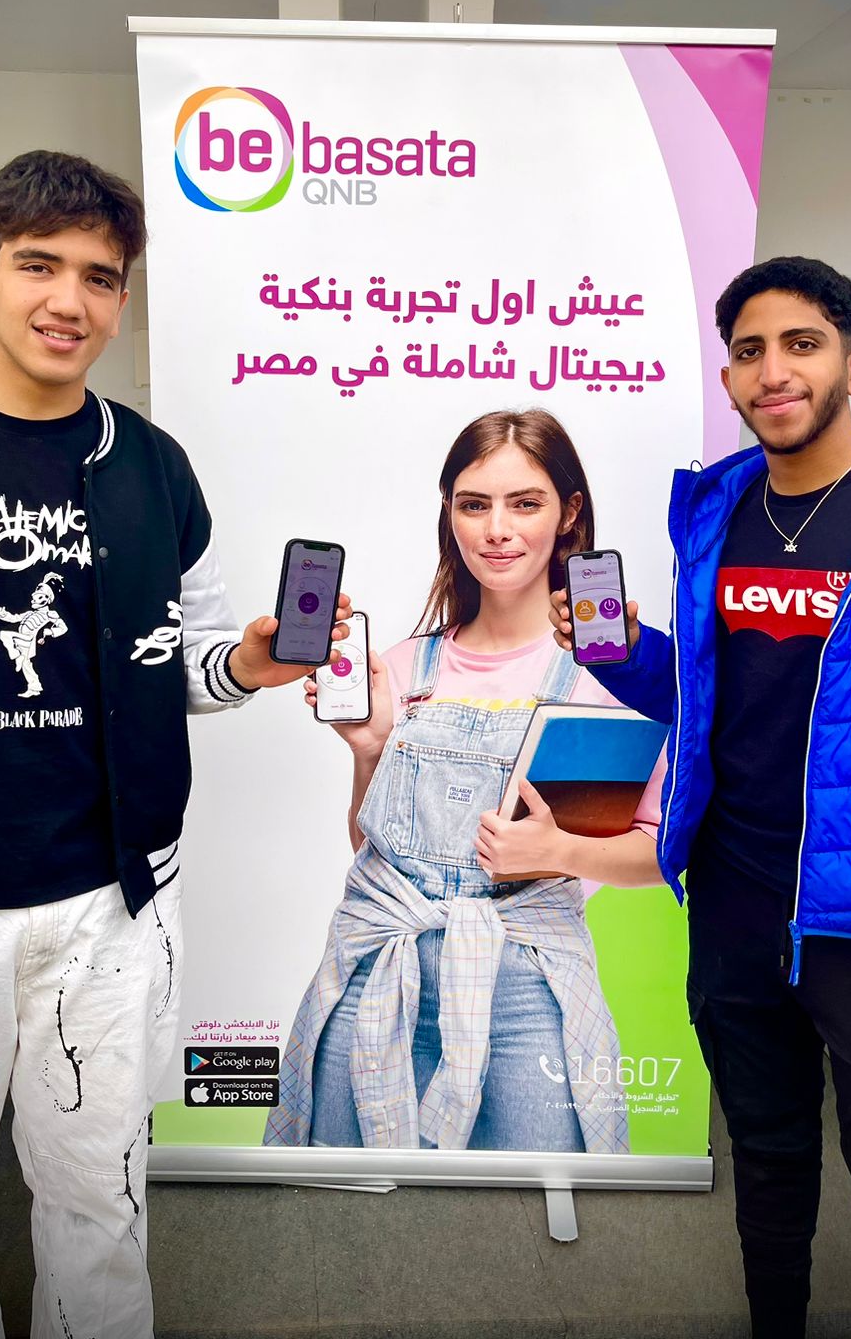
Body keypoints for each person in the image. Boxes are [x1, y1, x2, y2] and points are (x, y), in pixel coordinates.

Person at [0, 150, 348, 1339]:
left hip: (112, 909)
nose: (68, 301)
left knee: (102, 1204)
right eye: (37, 265)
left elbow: (183, 665)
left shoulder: (152, 467)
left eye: (100, 278)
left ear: (122, 298)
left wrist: (252, 661)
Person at [554, 256, 851, 1338]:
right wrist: (619, 654)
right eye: (750, 351)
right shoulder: (717, 512)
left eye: (801, 344)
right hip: (737, 901)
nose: (774, 371)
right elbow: (714, 696)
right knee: (766, 1167)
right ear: (730, 377)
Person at [266, 409, 666, 1154]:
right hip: (377, 970)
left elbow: (659, 854)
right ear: (449, 514)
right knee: (347, 1205)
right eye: (474, 505)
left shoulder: (613, 679)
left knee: (545, 1206)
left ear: (569, 514)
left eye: (525, 503)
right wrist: (369, 748)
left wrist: (558, 852)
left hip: (527, 991)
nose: (497, 530)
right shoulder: (403, 664)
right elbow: (370, 848)